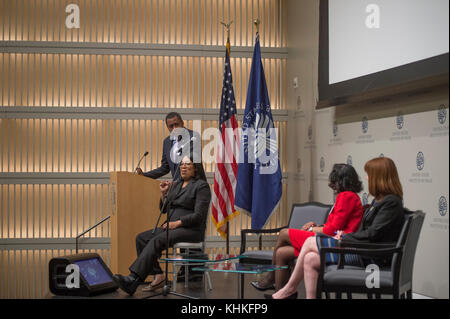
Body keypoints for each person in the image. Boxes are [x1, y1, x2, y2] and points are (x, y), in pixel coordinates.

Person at [269, 157, 405, 299]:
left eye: (369, 174)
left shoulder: (391, 203)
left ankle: (289, 288)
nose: (367, 177)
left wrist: (344, 237)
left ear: (379, 177)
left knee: (309, 242)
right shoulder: (380, 201)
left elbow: (372, 233)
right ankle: (295, 292)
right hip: (360, 250)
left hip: (370, 257)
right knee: (309, 258)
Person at [251, 164, 364, 293]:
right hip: (329, 239)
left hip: (333, 243)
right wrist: (316, 226)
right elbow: (334, 225)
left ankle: (271, 278)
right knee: (281, 253)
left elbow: (332, 230)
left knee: (283, 233)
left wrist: (312, 230)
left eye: (335, 180)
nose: (333, 185)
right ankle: (282, 293)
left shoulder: (347, 196)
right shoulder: (349, 196)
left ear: (342, 180)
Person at [113, 156, 211, 295]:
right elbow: (164, 209)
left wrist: (177, 223)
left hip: (190, 229)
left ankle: (133, 279)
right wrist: (163, 194)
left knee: (158, 240)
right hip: (171, 227)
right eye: (181, 164)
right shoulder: (176, 184)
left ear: (195, 167)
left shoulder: (201, 186)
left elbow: (199, 216)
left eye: (187, 164)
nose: (183, 167)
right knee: (141, 238)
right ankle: (158, 275)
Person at [136, 112, 201, 181]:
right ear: (167, 127)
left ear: (182, 123)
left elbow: (191, 164)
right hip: (177, 188)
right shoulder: (167, 142)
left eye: (176, 124)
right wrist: (145, 175)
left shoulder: (193, 136)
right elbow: (165, 168)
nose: (174, 128)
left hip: (194, 185)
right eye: (171, 126)